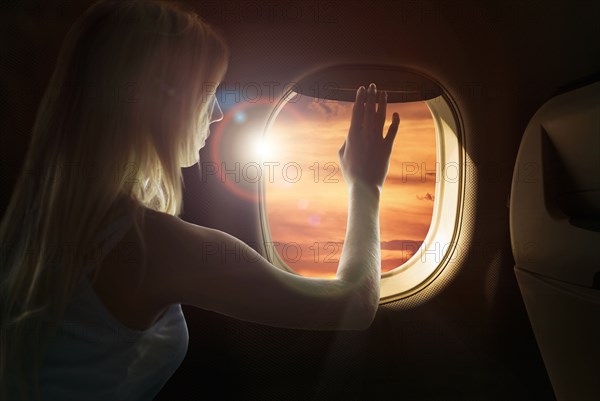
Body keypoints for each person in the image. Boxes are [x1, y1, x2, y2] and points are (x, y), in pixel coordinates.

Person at [0, 0, 399, 400]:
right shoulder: (151, 245)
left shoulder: (37, 216)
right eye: (203, 94)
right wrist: (365, 185)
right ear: (160, 104)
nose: (214, 115)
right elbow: (353, 304)